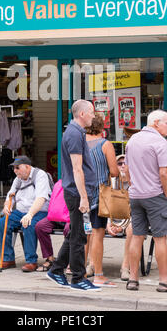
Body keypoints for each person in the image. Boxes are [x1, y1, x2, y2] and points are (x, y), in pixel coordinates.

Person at [124, 110, 167, 293]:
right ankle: (164, 281)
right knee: (160, 238)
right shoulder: (159, 141)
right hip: (155, 195)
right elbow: (164, 173)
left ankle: (132, 279)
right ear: (156, 123)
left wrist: (134, 186)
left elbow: (127, 170)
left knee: (137, 236)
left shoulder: (133, 140)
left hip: (136, 196)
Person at [46, 99, 101, 291]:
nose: (94, 116)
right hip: (77, 193)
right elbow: (77, 169)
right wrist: (84, 197)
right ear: (82, 114)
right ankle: (78, 278)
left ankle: (56, 270)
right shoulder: (74, 134)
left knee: (75, 233)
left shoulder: (76, 132)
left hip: (78, 192)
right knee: (79, 237)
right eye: (92, 113)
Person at [0, 155, 52, 273]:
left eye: (17, 168)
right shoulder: (18, 178)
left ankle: (31, 261)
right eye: (14, 168)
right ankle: (8, 259)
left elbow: (41, 198)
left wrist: (30, 214)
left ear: (27, 166)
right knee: (3, 223)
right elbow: (10, 196)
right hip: (21, 211)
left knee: (28, 224)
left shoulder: (40, 175)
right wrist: (7, 206)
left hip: (39, 211)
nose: (15, 171)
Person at [86, 113, 119, 287]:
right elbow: (114, 171)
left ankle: (80, 271)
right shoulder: (105, 145)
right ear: (102, 127)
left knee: (83, 234)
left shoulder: (79, 144)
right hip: (99, 195)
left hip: (81, 195)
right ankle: (98, 274)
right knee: (98, 234)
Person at [106, 154, 132, 281]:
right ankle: (91, 265)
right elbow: (105, 206)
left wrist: (121, 227)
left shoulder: (135, 183)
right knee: (94, 226)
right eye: (119, 163)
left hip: (130, 219)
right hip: (112, 219)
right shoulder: (110, 182)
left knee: (132, 229)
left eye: (125, 163)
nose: (122, 166)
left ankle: (125, 267)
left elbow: (135, 211)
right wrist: (107, 223)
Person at [35, 179, 70, 272]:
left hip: (72, 216)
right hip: (57, 216)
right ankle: (50, 258)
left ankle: (70, 260)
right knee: (40, 226)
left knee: (69, 229)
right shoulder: (59, 183)